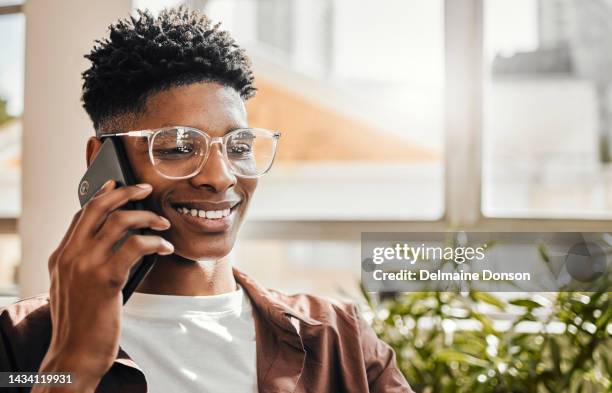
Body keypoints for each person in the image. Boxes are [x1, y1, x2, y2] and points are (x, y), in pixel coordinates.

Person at [0, 7, 412, 393]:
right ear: (102, 160)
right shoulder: (17, 340)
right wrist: (73, 362)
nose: (220, 177)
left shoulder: (340, 340)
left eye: (239, 145)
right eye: (178, 147)